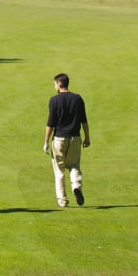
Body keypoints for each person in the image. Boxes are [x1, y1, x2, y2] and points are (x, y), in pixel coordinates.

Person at [44, 73, 90, 208]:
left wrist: (46, 141)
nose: (54, 87)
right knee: (74, 165)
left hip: (59, 139)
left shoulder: (54, 100)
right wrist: (87, 137)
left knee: (59, 170)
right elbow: (84, 121)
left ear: (59, 84)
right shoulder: (78, 99)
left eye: (54, 84)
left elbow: (50, 124)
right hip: (75, 138)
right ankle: (76, 185)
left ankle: (63, 200)